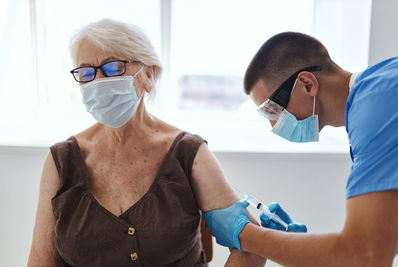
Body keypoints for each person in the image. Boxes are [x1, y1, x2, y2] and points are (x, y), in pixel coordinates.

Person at [27, 19, 266, 267]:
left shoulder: (188, 153)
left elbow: (253, 248)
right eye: (87, 73)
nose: (98, 82)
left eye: (113, 67)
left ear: (149, 75)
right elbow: (40, 262)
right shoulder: (61, 161)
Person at [203, 32, 398, 266]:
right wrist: (298, 245)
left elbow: (367, 255)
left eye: (273, 111)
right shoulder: (381, 86)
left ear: (307, 84)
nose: (274, 125)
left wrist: (246, 236)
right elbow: (385, 240)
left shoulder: (375, 111)